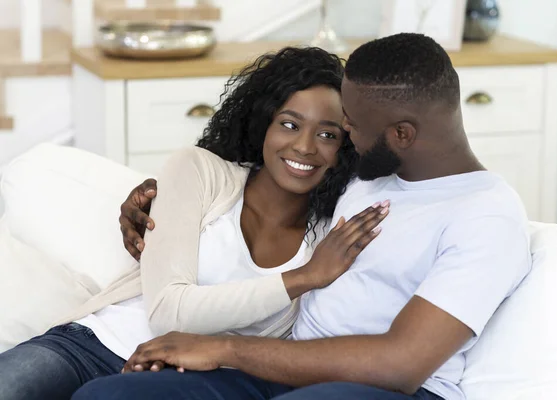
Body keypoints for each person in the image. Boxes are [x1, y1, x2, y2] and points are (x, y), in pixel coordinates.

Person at [76, 33, 532, 400]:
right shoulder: (370, 176)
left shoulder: (486, 216)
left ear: (402, 134)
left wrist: (224, 347)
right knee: (106, 396)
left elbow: (402, 365)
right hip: (281, 370)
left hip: (380, 387)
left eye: (349, 124)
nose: (344, 134)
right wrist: (153, 199)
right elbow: (259, 172)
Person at [0, 47, 388, 400]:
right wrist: (303, 278)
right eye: (289, 124)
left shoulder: (332, 233)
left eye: (327, 134)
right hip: (93, 344)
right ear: (263, 123)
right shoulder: (201, 171)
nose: (304, 146)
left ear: (346, 149)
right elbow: (169, 311)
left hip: (178, 378)